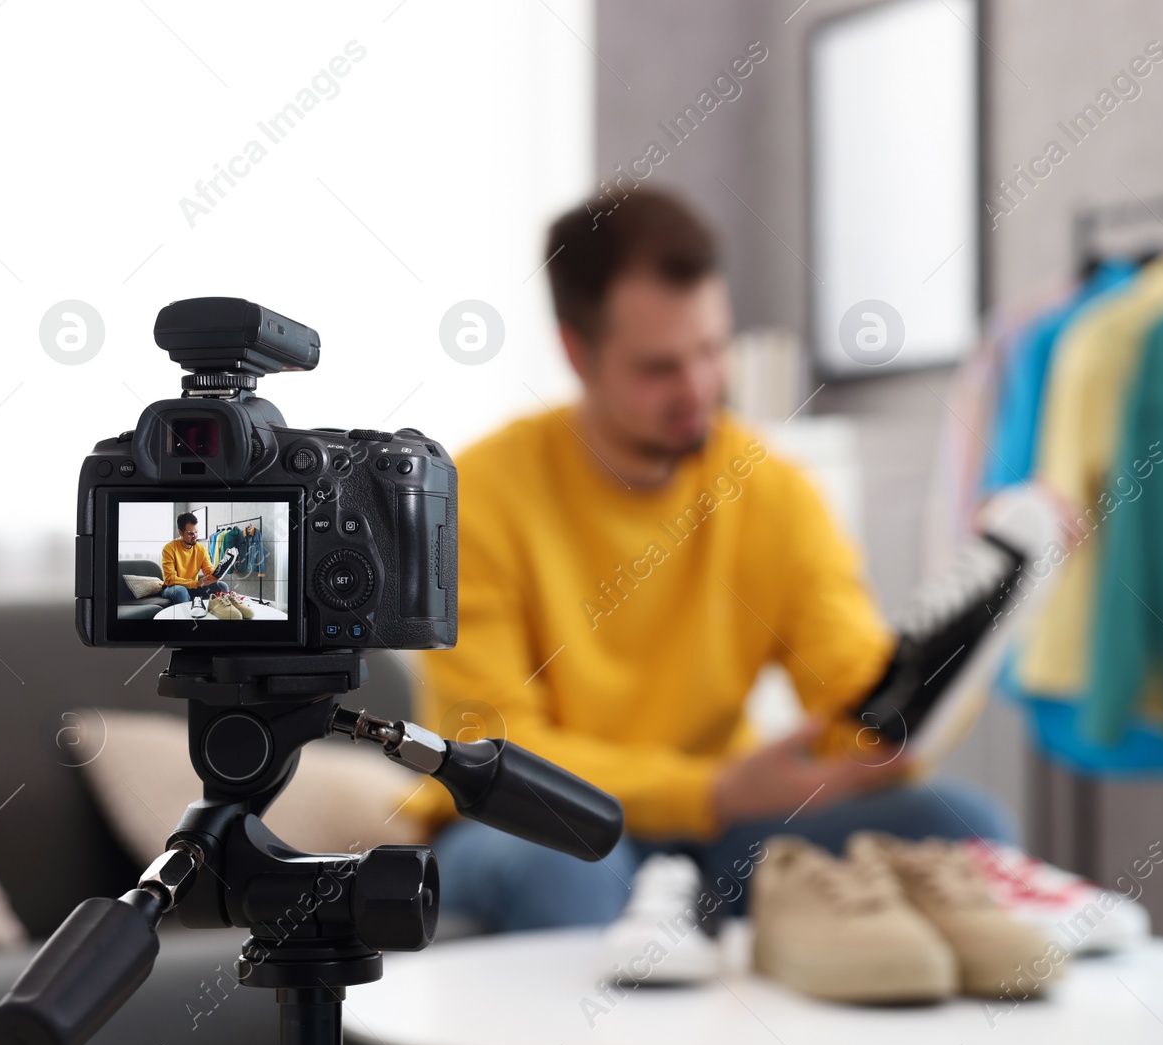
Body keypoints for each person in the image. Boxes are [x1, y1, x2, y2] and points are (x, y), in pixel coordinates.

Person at [412, 188, 1015, 932]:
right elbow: (494, 754)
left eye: (711, 350)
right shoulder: (480, 497)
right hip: (534, 828)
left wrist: (962, 645)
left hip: (722, 831)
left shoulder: (773, 492)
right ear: (576, 351)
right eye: (659, 367)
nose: (698, 389)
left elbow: (854, 703)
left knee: (965, 823)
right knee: (565, 862)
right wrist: (713, 791)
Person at [159, 512, 229, 605]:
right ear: (180, 532)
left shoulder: (201, 549)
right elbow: (170, 579)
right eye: (190, 533)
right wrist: (196, 583)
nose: (195, 536)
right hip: (173, 588)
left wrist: (221, 567)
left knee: (222, 586)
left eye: (196, 532)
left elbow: (209, 572)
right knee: (180, 590)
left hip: (193, 587)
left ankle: (218, 614)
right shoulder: (169, 549)